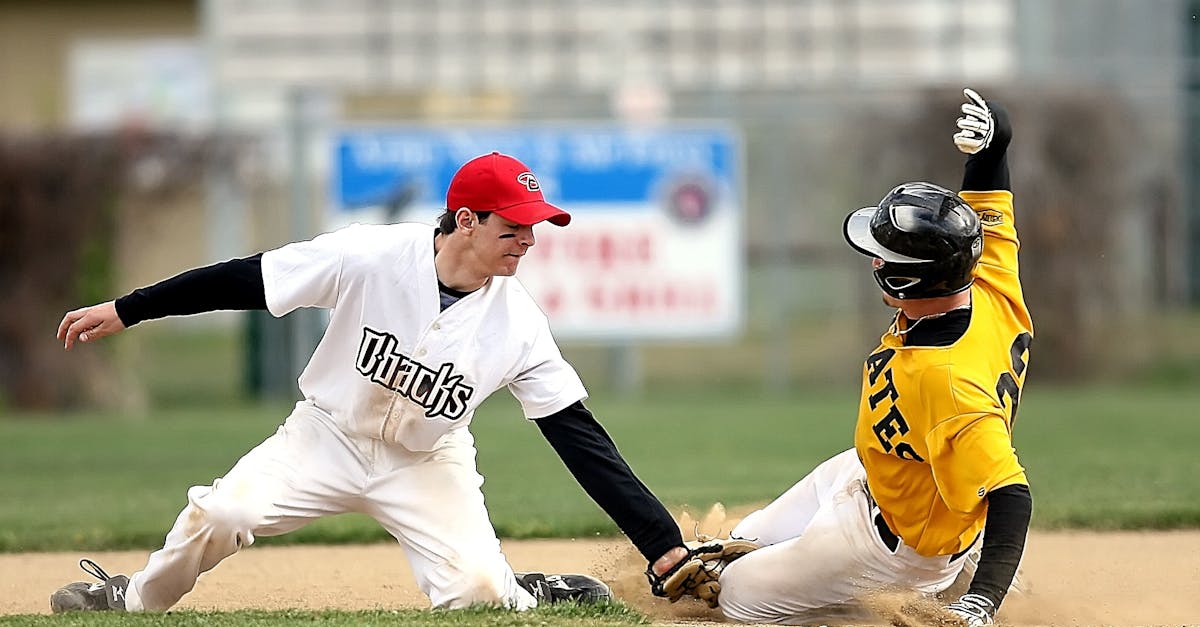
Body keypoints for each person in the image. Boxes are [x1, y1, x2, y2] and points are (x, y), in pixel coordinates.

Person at [50, 151, 695, 613]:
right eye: (514, 225)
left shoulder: (518, 324)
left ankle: (521, 590)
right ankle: (131, 598)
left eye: (533, 227)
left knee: (477, 596)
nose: (527, 239)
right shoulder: (372, 256)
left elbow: (581, 440)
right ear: (465, 221)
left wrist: (662, 545)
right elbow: (251, 278)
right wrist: (129, 309)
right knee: (222, 512)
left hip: (426, 461)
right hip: (325, 436)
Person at [672, 88, 1034, 626]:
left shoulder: (947, 379)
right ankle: (920, 567)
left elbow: (1011, 495)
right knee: (736, 545)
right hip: (875, 470)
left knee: (733, 599)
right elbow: (988, 199)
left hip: (894, 547)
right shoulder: (987, 282)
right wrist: (993, 142)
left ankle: (887, 600)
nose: (873, 261)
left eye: (881, 256)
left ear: (905, 277)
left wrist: (982, 601)